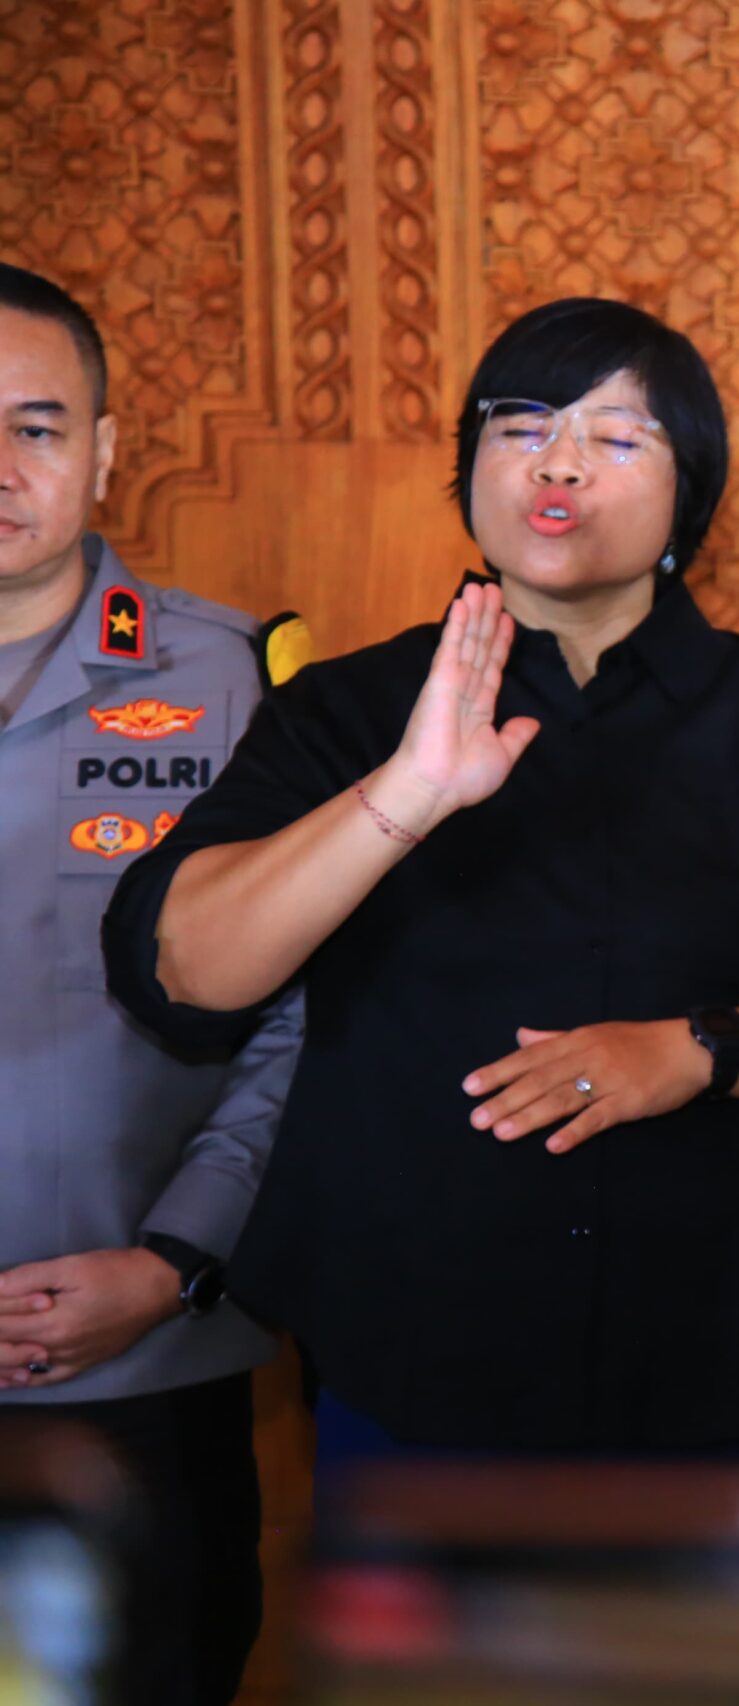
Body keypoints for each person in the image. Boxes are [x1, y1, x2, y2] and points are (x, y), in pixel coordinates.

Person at [101, 299, 739, 1510]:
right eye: (522, 426)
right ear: (471, 469)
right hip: (419, 1366)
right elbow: (182, 970)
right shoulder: (346, 708)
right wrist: (405, 793)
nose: (558, 461)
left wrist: (692, 1051)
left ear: (690, 493)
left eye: (616, 436)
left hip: (734, 1361)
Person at [0, 263, 302, 1704]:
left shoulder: (242, 683)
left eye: (37, 427)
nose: (0, 470)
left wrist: (177, 1260)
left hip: (145, 1373)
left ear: (106, 450)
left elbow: (307, 1026)